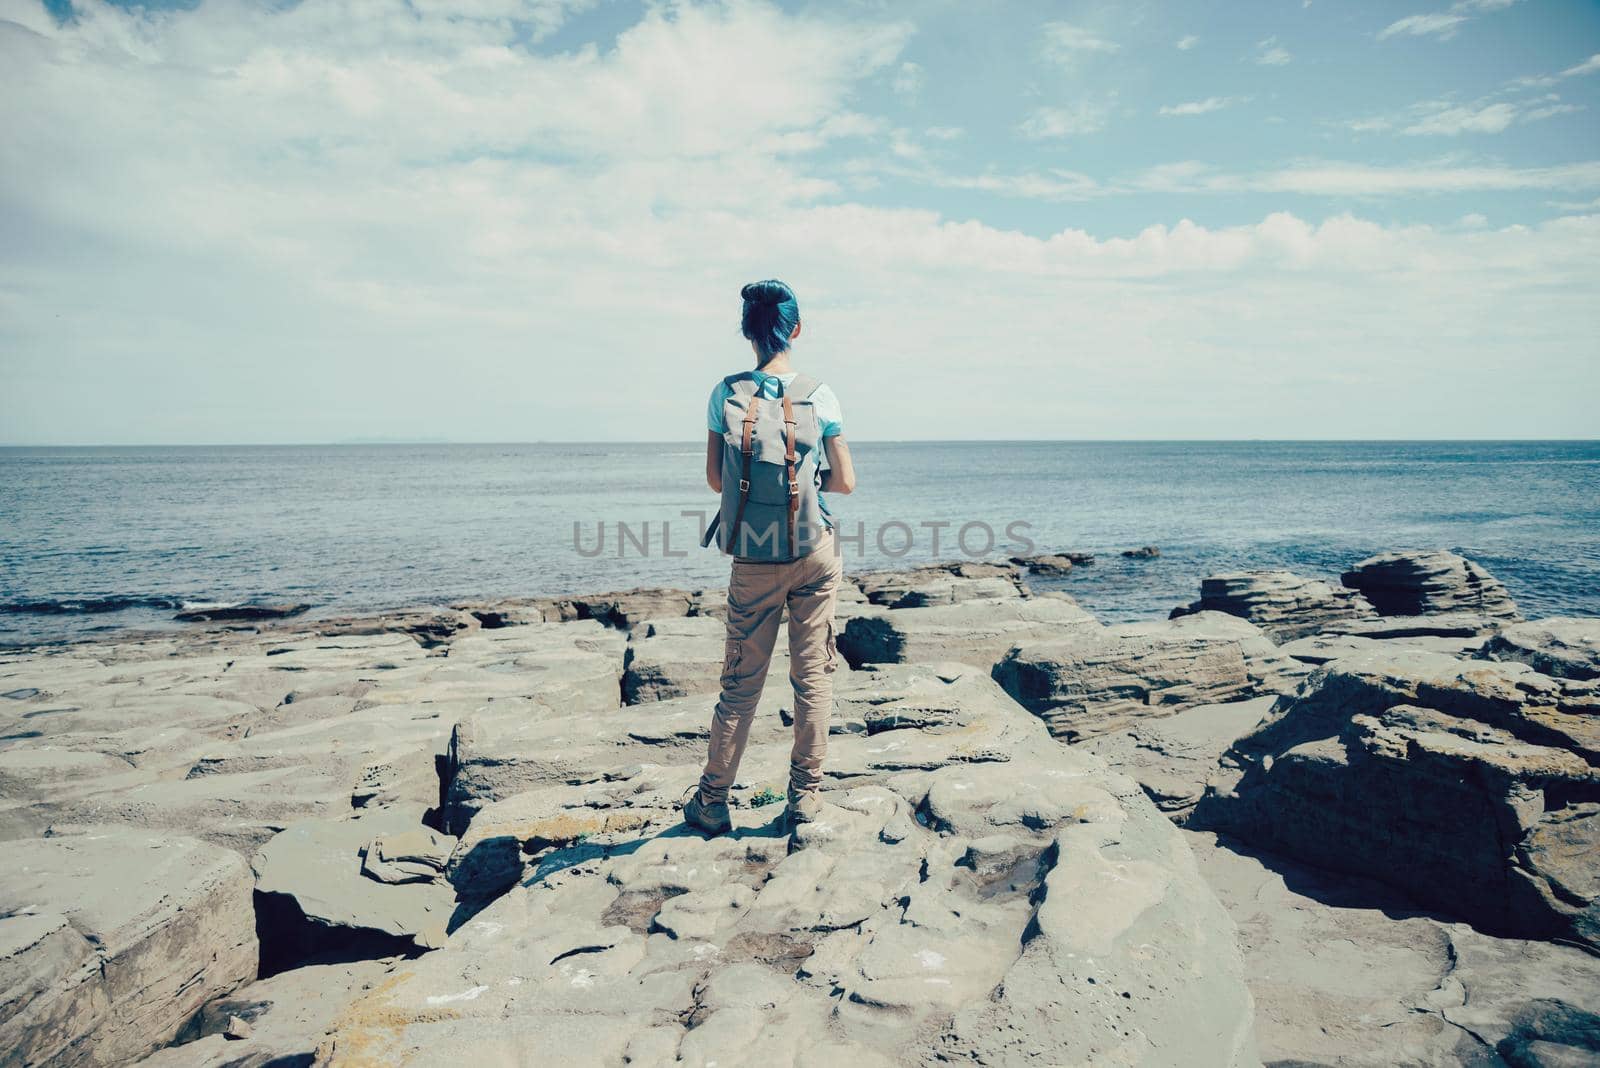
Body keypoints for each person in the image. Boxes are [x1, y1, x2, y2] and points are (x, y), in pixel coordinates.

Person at [682, 279, 856, 836]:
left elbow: (715, 481)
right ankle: (804, 798)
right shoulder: (820, 394)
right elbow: (846, 482)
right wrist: (814, 479)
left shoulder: (724, 394)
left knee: (741, 683)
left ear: (746, 333)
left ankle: (712, 802)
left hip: (753, 559)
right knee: (813, 677)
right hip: (815, 549)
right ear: (795, 330)